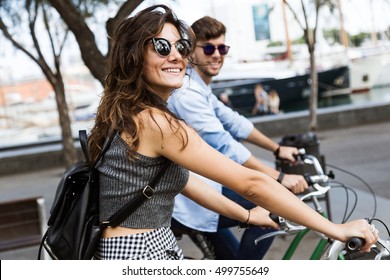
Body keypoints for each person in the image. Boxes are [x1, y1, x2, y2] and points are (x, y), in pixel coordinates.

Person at [87, 5, 377, 260]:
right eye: (162, 47)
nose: (176, 56)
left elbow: (188, 182)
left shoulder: (127, 112)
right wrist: (334, 228)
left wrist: (247, 215)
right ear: (134, 56)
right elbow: (250, 183)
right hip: (142, 254)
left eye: (181, 47)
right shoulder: (157, 123)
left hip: (133, 248)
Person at [168, 16, 309, 260]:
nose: (217, 54)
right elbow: (223, 144)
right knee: (271, 203)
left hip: (202, 186)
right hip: (188, 196)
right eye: (209, 48)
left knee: (232, 260)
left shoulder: (199, 87)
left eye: (222, 48)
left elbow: (234, 122)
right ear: (191, 53)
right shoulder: (186, 93)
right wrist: (278, 178)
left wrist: (277, 149)